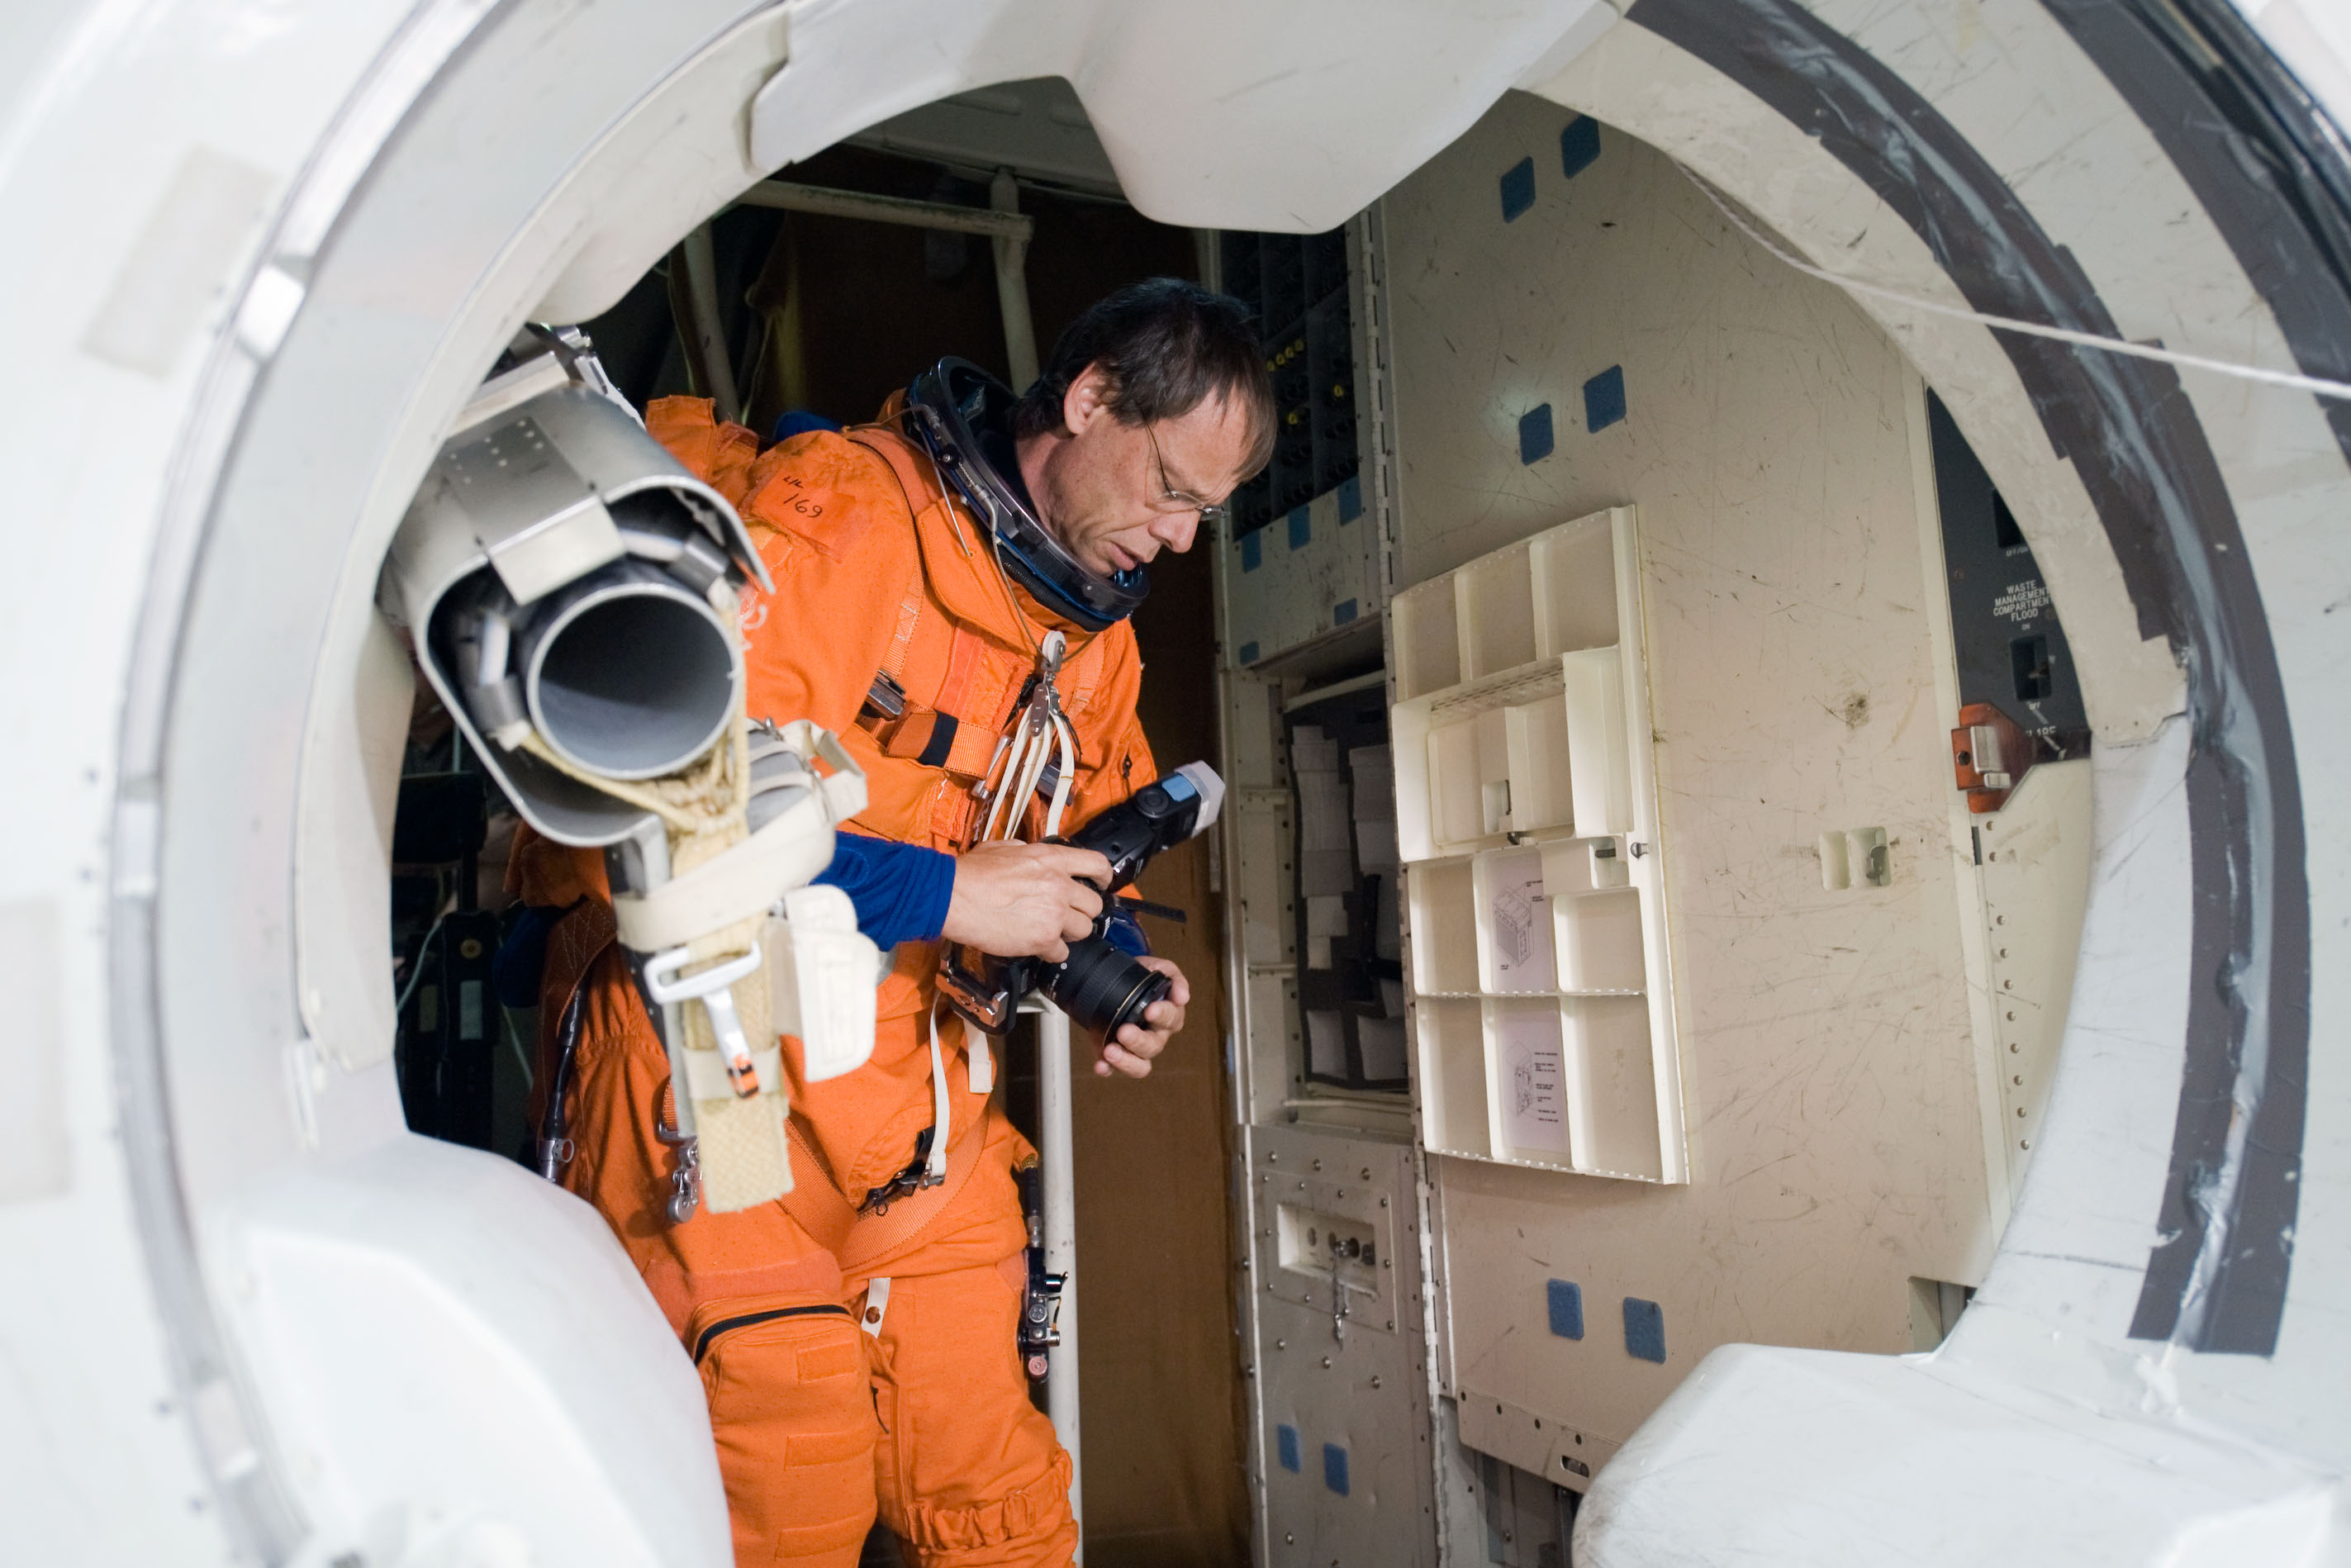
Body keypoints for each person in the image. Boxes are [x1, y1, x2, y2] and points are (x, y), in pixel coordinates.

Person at [511, 278, 1275, 1568]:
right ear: (1090, 399)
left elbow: (1090, 827)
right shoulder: (842, 515)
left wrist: (1118, 960)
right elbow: (644, 817)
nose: (1182, 536)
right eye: (1168, 488)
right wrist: (950, 894)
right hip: (722, 1075)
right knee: (778, 1467)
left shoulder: (1090, 644)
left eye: (1203, 510)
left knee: (1002, 1506)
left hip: (914, 1100)